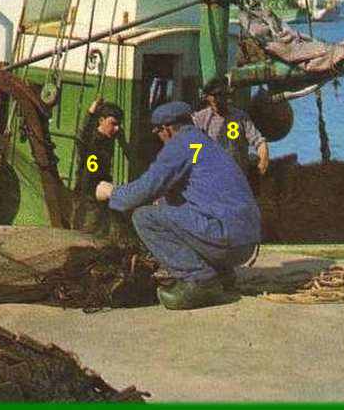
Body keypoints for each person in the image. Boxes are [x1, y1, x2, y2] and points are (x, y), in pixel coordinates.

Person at [95, 101, 262, 310]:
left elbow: (143, 190)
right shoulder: (206, 144)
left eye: (158, 132)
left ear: (166, 129)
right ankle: (221, 275)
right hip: (245, 244)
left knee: (144, 217)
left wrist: (111, 192)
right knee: (170, 202)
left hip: (225, 240)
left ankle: (201, 281)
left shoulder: (180, 144)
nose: (160, 138)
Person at [192, 80, 270, 177]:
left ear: (226, 95)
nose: (217, 100)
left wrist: (263, 159)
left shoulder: (240, 117)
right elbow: (192, 146)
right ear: (207, 97)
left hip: (237, 176)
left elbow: (258, 141)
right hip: (212, 177)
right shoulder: (200, 119)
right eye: (213, 96)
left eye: (220, 95)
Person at [71, 97, 124, 236]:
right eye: (113, 123)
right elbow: (84, 133)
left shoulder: (107, 139)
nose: (117, 128)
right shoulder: (92, 141)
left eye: (118, 125)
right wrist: (91, 111)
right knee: (87, 235)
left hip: (97, 198)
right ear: (101, 121)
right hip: (89, 200)